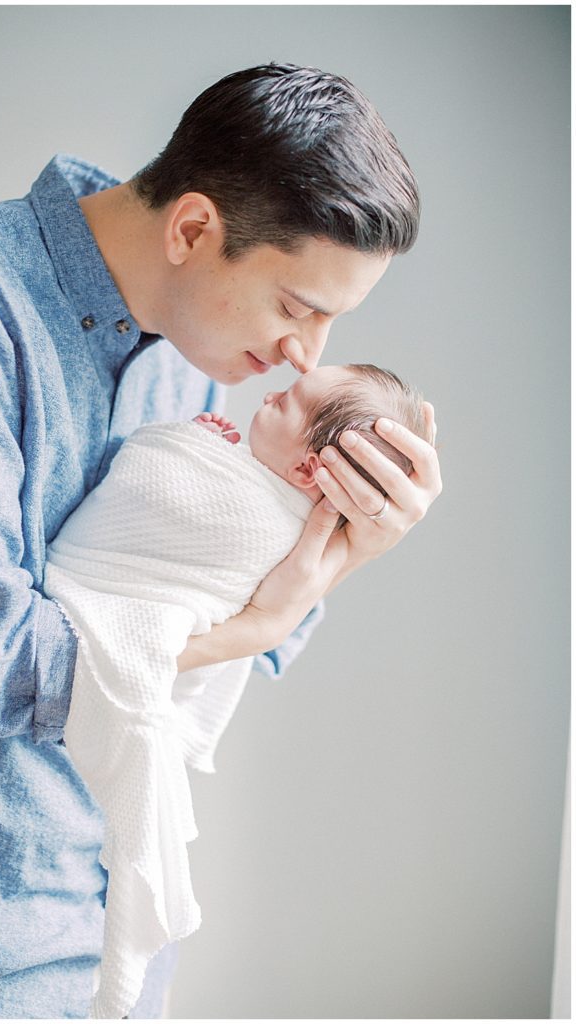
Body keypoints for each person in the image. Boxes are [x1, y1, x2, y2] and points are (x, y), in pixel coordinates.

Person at [0, 64, 442, 1019]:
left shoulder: (186, 359)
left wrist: (340, 549)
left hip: (113, 939)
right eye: (298, 307)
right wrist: (250, 626)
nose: (304, 356)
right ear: (193, 229)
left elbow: (199, 629)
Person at [42, 361, 431, 1019]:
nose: (282, 378)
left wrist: (312, 583)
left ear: (309, 472)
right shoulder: (234, 448)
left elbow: (147, 471)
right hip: (77, 686)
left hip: (124, 672)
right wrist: (200, 444)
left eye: (290, 403)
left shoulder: (273, 525)